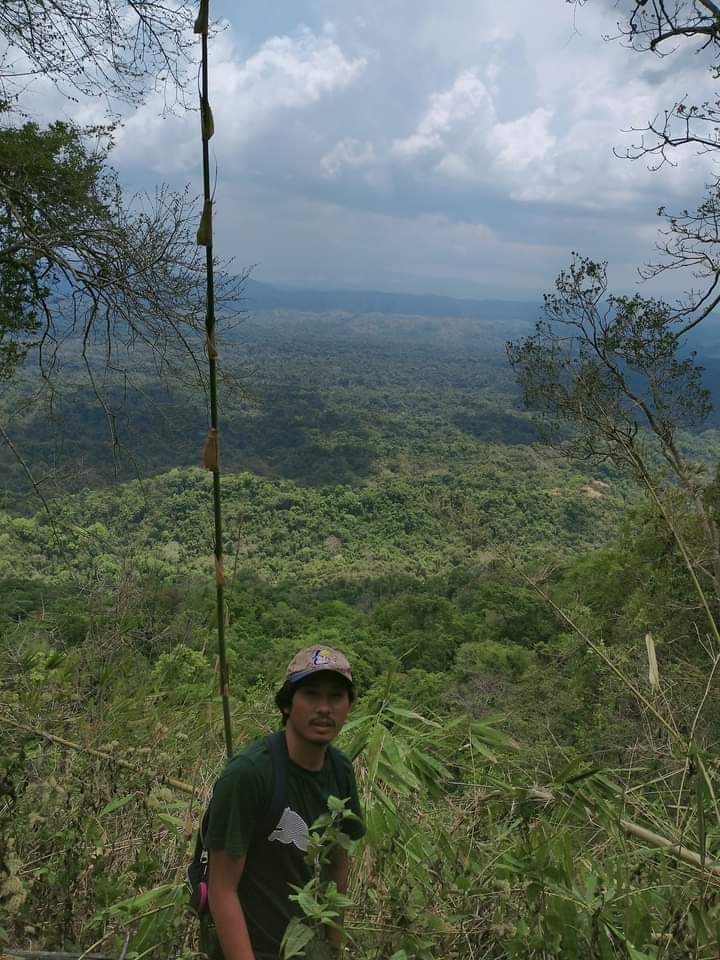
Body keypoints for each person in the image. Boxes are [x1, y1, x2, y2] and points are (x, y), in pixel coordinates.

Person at [205, 645, 365, 960]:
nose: (324, 708)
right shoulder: (249, 775)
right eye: (310, 694)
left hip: (310, 949)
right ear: (287, 704)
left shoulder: (341, 770)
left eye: (335, 697)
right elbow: (222, 889)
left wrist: (333, 950)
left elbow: (338, 865)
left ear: (348, 706)